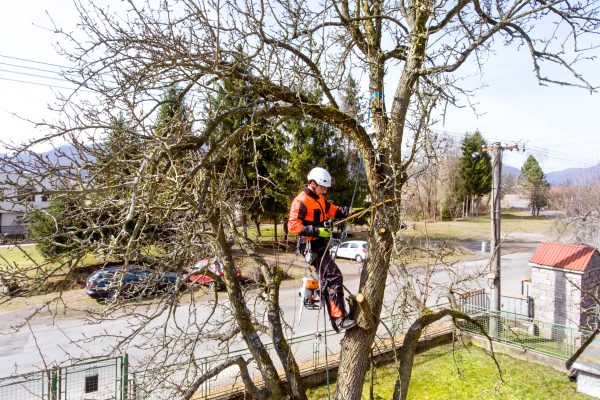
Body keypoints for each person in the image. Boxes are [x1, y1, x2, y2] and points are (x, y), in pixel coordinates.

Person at [288, 167, 357, 331]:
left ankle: (338, 318)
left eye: (326, 188)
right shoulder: (301, 201)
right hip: (311, 246)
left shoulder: (320, 199)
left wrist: (346, 211)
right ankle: (339, 319)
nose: (325, 191)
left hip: (321, 245)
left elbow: (332, 210)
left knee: (329, 280)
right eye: (322, 187)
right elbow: (292, 226)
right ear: (312, 183)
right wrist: (316, 231)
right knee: (334, 277)